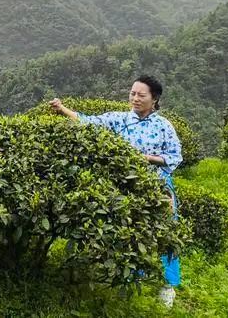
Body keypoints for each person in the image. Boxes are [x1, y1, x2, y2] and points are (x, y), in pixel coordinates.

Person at [49, 75, 182, 308]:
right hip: (125, 185)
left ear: (155, 99)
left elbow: (174, 156)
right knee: (129, 231)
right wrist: (62, 109)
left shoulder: (164, 126)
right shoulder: (119, 119)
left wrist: (147, 159)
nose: (135, 98)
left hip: (157, 185)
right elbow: (88, 121)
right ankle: (132, 276)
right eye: (132, 93)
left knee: (166, 233)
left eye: (141, 95)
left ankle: (167, 284)